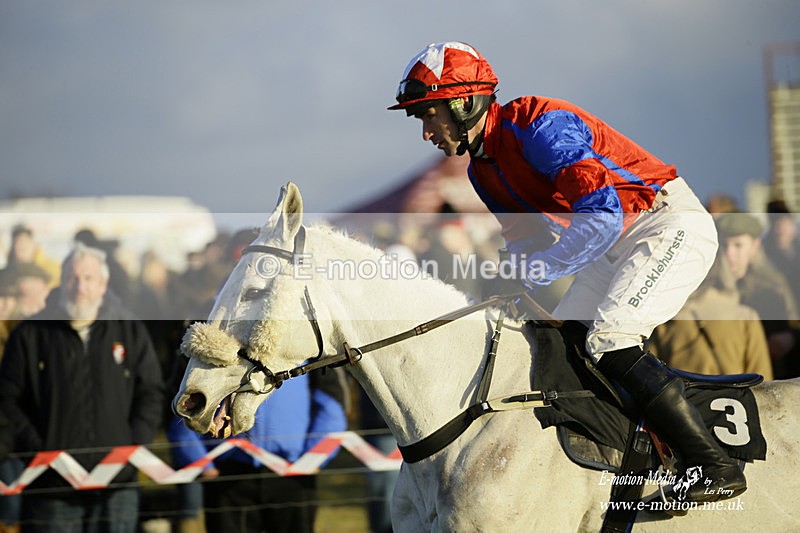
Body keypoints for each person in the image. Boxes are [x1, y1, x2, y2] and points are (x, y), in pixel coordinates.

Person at [388, 41, 742, 502]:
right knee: (560, 345)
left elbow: (601, 214)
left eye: (427, 115)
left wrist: (533, 270)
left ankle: (713, 466)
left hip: (665, 224)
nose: (426, 132)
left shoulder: (539, 123)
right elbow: (527, 241)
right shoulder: (482, 171)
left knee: (609, 339)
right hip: (614, 247)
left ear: (462, 102)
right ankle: (626, 459)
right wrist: (504, 286)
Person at [0, 243, 164, 532]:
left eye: (88, 279)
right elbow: (8, 401)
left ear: (103, 285)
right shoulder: (31, 334)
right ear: (62, 282)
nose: (80, 287)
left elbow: (150, 392)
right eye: (73, 278)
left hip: (117, 485)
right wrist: (38, 449)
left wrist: (132, 444)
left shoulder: (129, 329)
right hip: (52, 488)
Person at [166, 366, 348, 533]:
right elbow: (185, 407)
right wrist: (201, 464)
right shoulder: (219, 343)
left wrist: (313, 459)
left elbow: (332, 409)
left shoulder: (309, 346)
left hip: (293, 474)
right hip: (227, 475)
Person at [648, 250, 773, 379]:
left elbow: (651, 375)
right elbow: (762, 380)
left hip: (684, 397)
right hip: (732, 398)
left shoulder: (666, 317)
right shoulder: (745, 317)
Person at [716, 212, 800, 379]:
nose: (730, 254)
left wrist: (791, 338)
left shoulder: (773, 287)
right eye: (725, 245)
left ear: (754, 246)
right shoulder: (707, 289)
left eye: (738, 245)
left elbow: (793, 324)